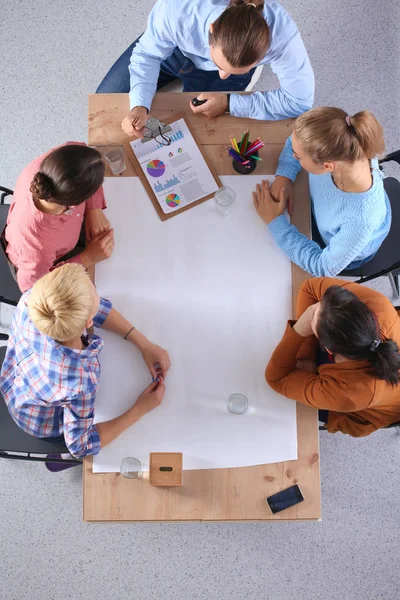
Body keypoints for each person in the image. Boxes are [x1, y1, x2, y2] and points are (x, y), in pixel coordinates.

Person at [0, 264, 170, 469]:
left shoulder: (33, 297)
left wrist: (143, 343)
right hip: (39, 422)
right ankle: (62, 459)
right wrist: (140, 409)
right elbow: (81, 445)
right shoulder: (79, 381)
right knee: (79, 451)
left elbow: (90, 310)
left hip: (12, 378)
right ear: (88, 321)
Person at [96, 0, 314, 137]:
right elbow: (147, 54)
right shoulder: (177, 9)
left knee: (197, 132)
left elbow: (299, 101)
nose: (223, 75)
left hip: (204, 70)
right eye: (221, 65)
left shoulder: (283, 35)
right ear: (211, 29)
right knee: (102, 102)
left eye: (233, 70)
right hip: (171, 50)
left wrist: (230, 102)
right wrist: (139, 105)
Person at [253, 107, 391, 277]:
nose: (294, 155)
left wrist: (275, 221)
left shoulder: (360, 220)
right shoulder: (345, 140)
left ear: (327, 166)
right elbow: (294, 142)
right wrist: (285, 176)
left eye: (298, 157)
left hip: (345, 248)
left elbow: (322, 267)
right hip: (326, 215)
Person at [265, 277, 400, 437]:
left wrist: (299, 331)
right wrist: (307, 356)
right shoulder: (379, 305)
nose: (314, 308)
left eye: (311, 320)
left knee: (297, 408)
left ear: (328, 349)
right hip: (367, 381)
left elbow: (276, 379)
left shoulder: (351, 393)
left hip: (363, 405)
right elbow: (309, 287)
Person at [4, 143, 113, 293]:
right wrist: (87, 258)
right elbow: (34, 288)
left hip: (65, 233)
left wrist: (94, 209)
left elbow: (78, 147)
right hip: (45, 269)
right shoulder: (38, 248)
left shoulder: (52, 166)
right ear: (74, 203)